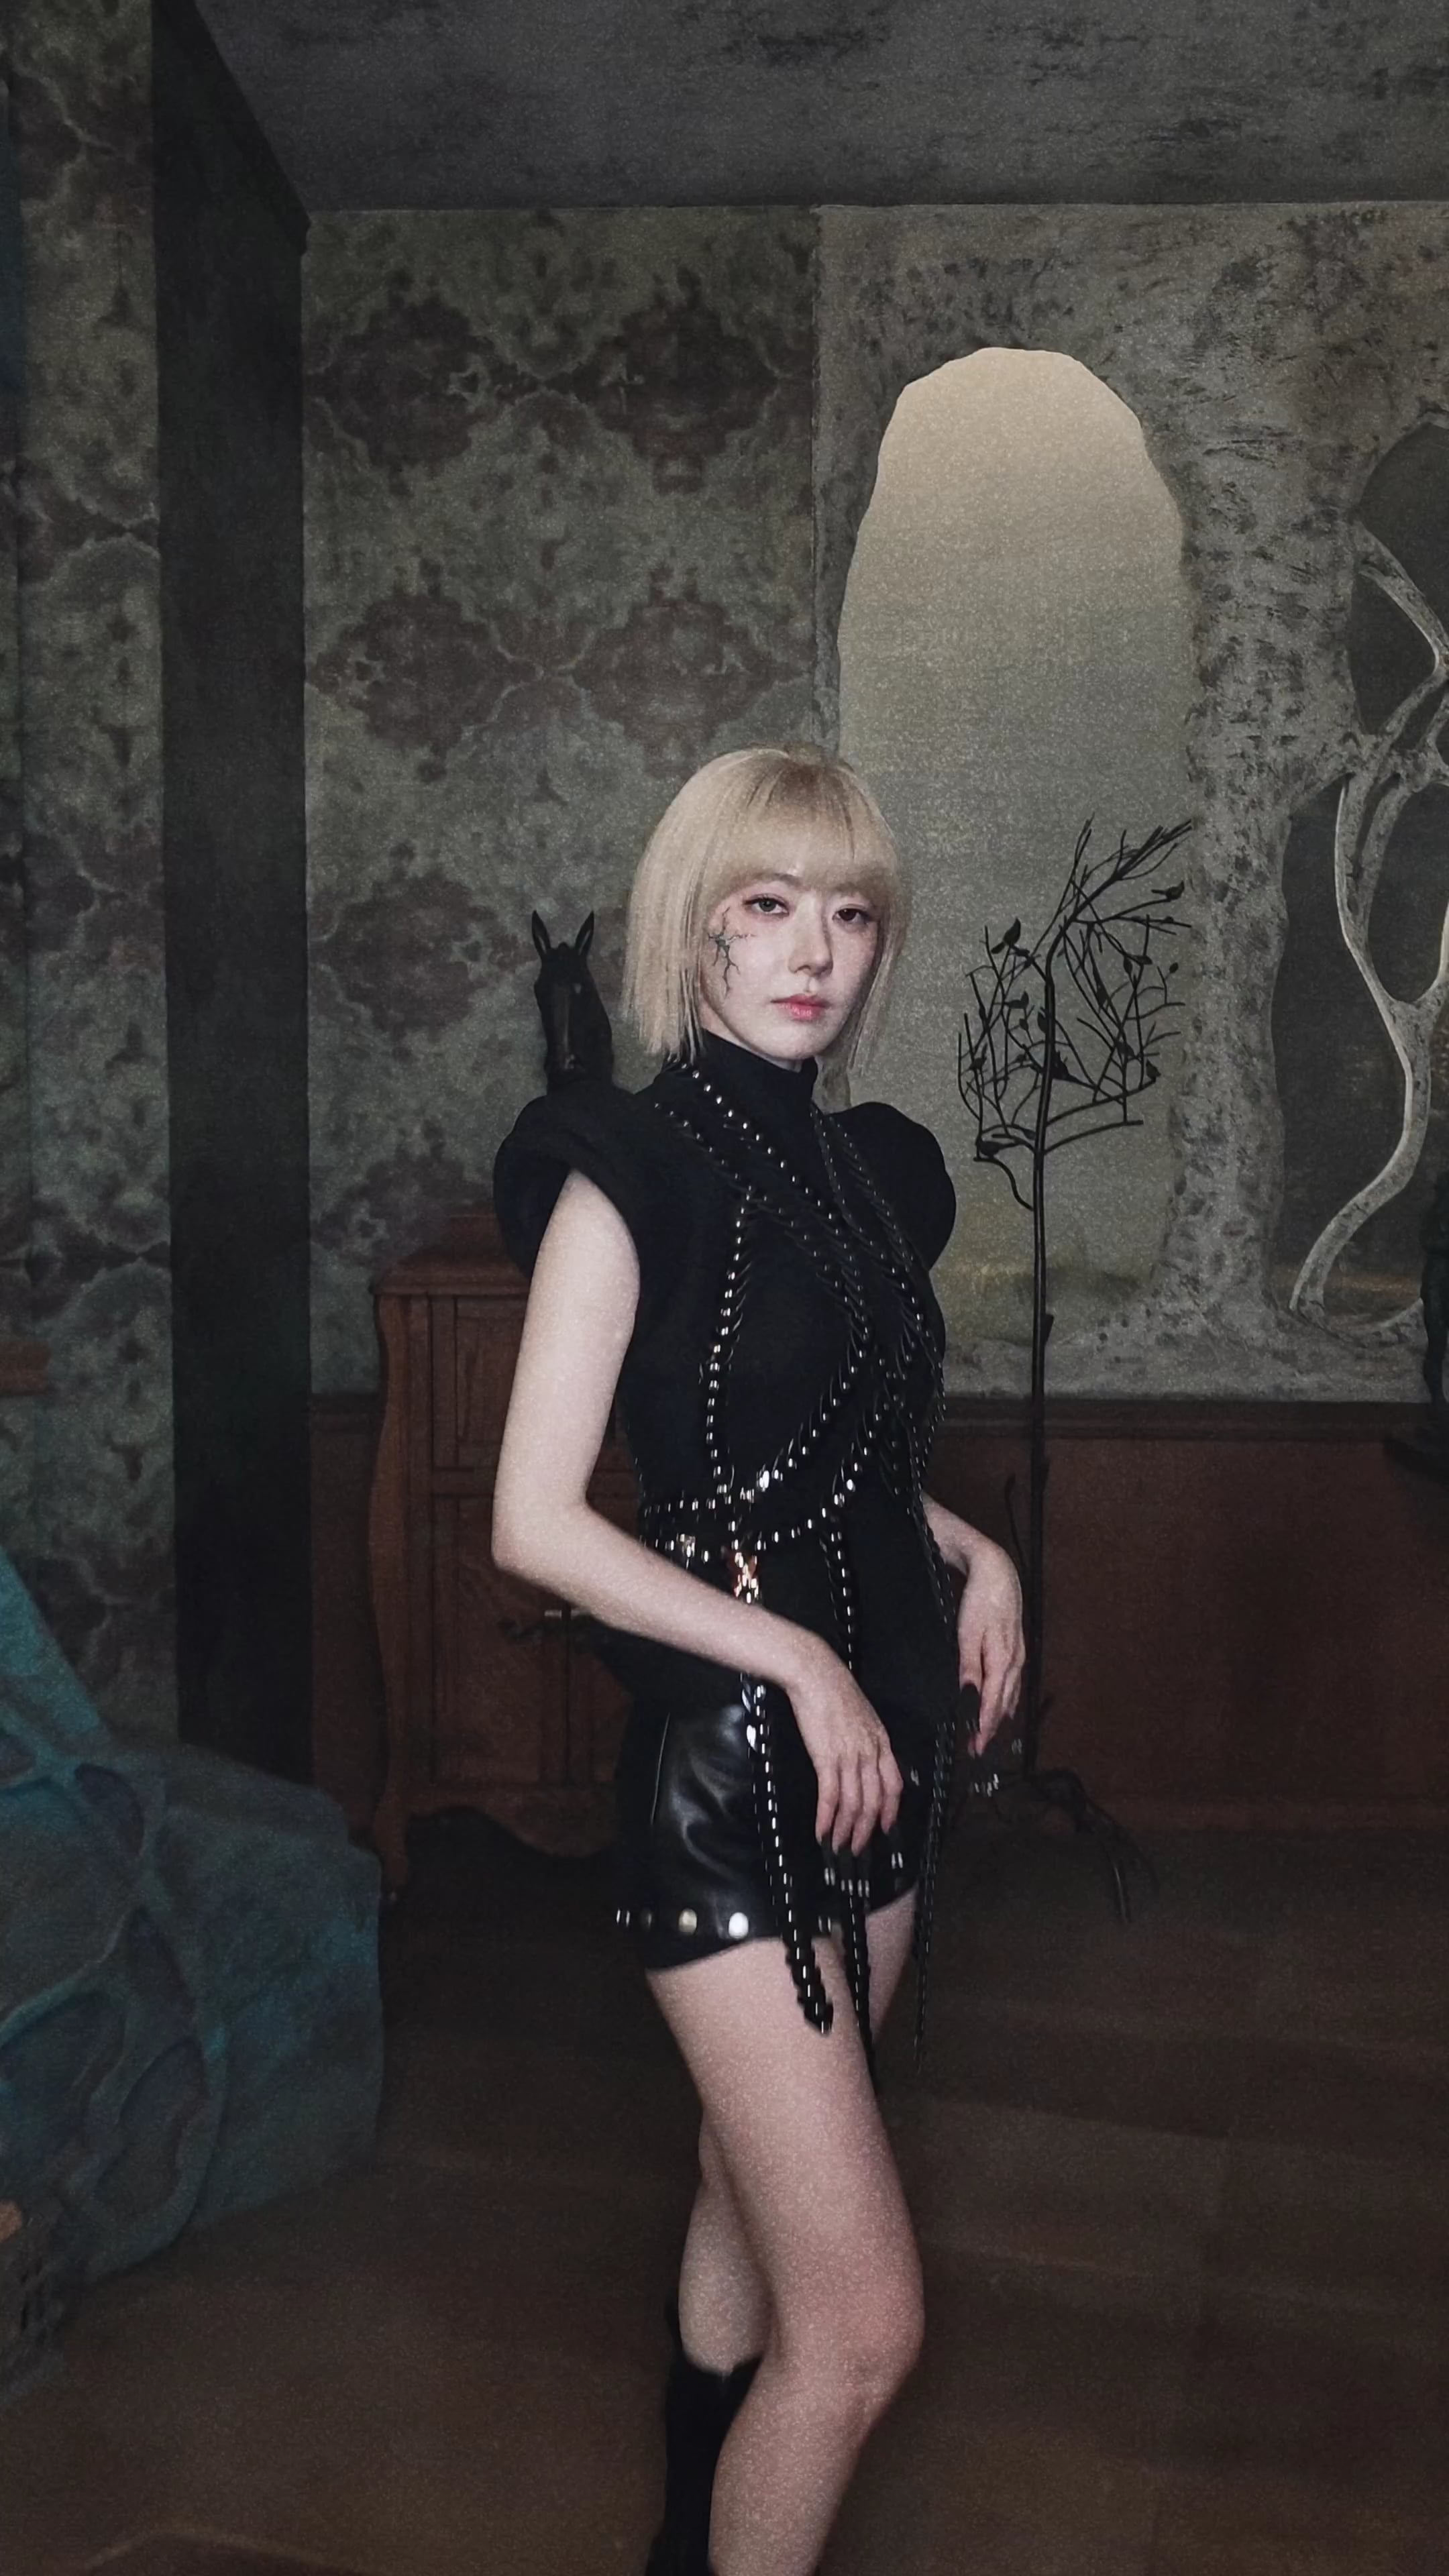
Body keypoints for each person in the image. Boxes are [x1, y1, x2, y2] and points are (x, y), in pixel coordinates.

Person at [490, 744, 1024, 2576]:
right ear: (695, 927)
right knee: (862, 2335)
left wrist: (970, 1546)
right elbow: (536, 1520)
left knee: (744, 2177)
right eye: (768, 906)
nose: (815, 952)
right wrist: (795, 1661)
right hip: (734, 1768)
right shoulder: (624, 1170)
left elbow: (831, 1454)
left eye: (851, 915)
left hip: (887, 1747)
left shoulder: (872, 1174)